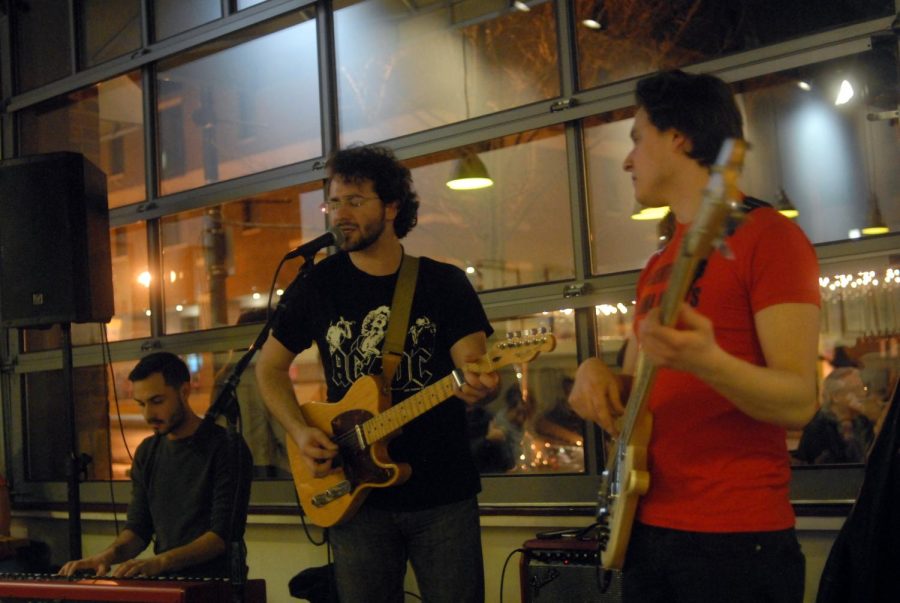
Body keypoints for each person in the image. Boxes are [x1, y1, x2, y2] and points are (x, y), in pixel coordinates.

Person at [568, 69, 820, 602]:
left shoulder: (770, 237)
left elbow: (800, 401)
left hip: (735, 540)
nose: (628, 159)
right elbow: (638, 386)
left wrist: (710, 363)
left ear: (678, 137)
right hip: (647, 524)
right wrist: (594, 373)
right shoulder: (660, 263)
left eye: (637, 138)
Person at [255, 144, 499, 603]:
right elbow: (268, 369)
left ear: (391, 206)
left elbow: (474, 366)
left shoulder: (443, 283)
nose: (339, 213)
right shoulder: (317, 285)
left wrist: (480, 386)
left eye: (355, 200)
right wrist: (301, 432)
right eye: (334, 201)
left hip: (442, 494)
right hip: (354, 495)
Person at [59, 352, 253, 579]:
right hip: (166, 580)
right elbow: (139, 529)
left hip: (217, 584)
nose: (148, 414)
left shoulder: (226, 447)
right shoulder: (147, 452)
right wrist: (106, 557)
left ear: (184, 391)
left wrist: (161, 562)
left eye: (157, 401)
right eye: (141, 404)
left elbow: (221, 537)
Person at [794, 367, 880, 464]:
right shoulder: (818, 428)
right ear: (836, 397)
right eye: (855, 389)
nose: (863, 394)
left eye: (863, 388)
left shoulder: (863, 422)